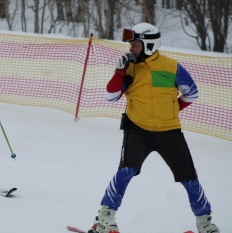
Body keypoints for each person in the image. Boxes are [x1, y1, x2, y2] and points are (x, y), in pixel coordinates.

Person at [88, 23, 219, 233]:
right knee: (126, 171)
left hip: (170, 132)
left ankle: (205, 223)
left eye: (135, 44)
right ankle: (104, 219)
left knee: (189, 178)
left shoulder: (171, 67)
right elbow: (110, 96)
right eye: (131, 44)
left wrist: (173, 110)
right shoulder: (129, 67)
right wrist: (120, 72)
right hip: (137, 131)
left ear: (149, 45)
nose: (131, 48)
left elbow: (192, 94)